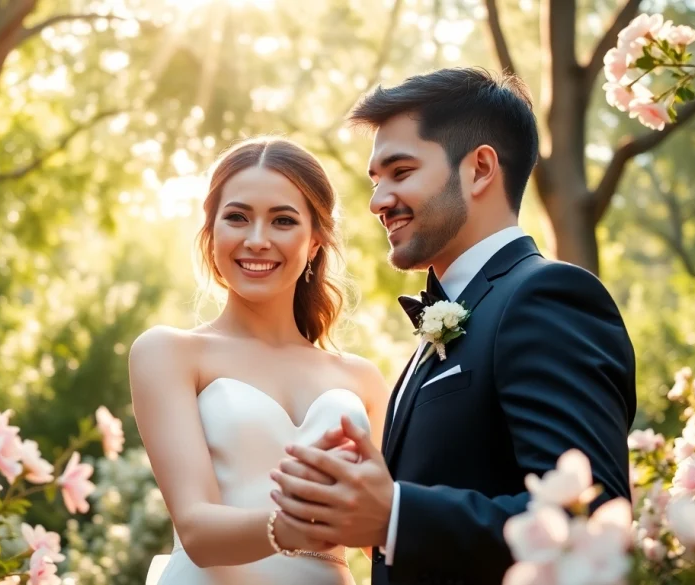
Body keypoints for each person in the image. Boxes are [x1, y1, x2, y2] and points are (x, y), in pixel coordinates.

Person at [271, 67, 638, 585]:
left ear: (480, 168)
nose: (377, 201)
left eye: (400, 172)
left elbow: (590, 519)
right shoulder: (456, 317)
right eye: (376, 180)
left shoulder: (548, 297)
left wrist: (394, 516)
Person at [130, 136, 390, 584]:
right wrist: (289, 527)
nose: (256, 240)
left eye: (283, 221)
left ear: (314, 242)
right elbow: (196, 529)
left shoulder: (363, 379)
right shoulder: (168, 353)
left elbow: (384, 532)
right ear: (211, 234)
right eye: (237, 218)